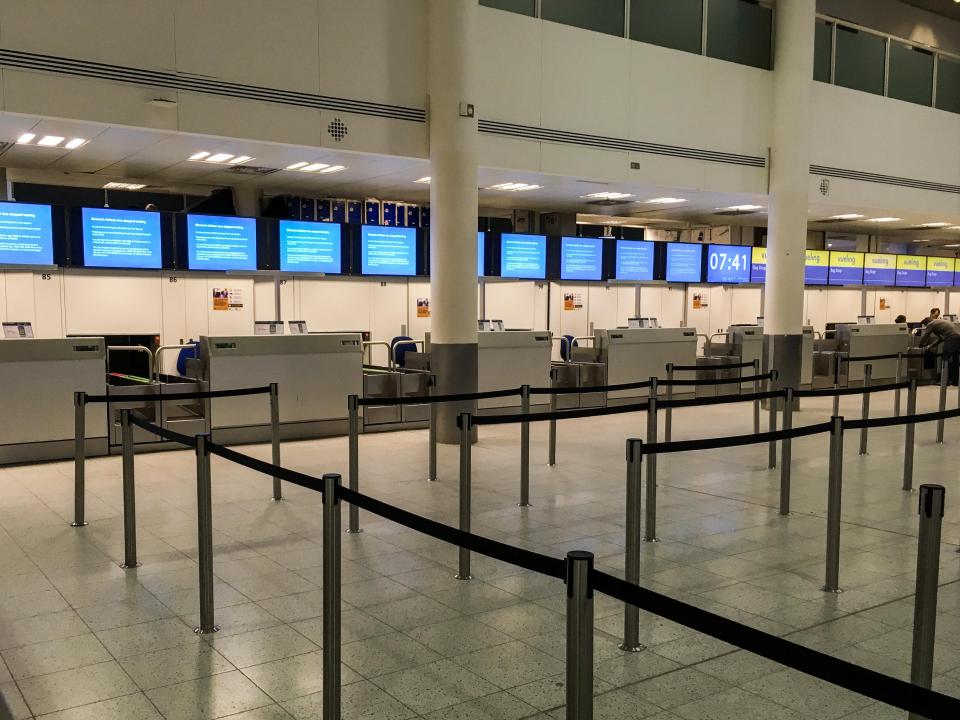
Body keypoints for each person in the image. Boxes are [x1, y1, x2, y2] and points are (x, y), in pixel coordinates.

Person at [921, 317, 960, 385]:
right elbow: (941, 338)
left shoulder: (931, 323)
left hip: (951, 339)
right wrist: (930, 346)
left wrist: (920, 346)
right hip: (958, 338)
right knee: (955, 360)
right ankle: (955, 381)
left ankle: (945, 381)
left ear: (927, 323)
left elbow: (925, 335)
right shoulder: (941, 322)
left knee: (945, 359)